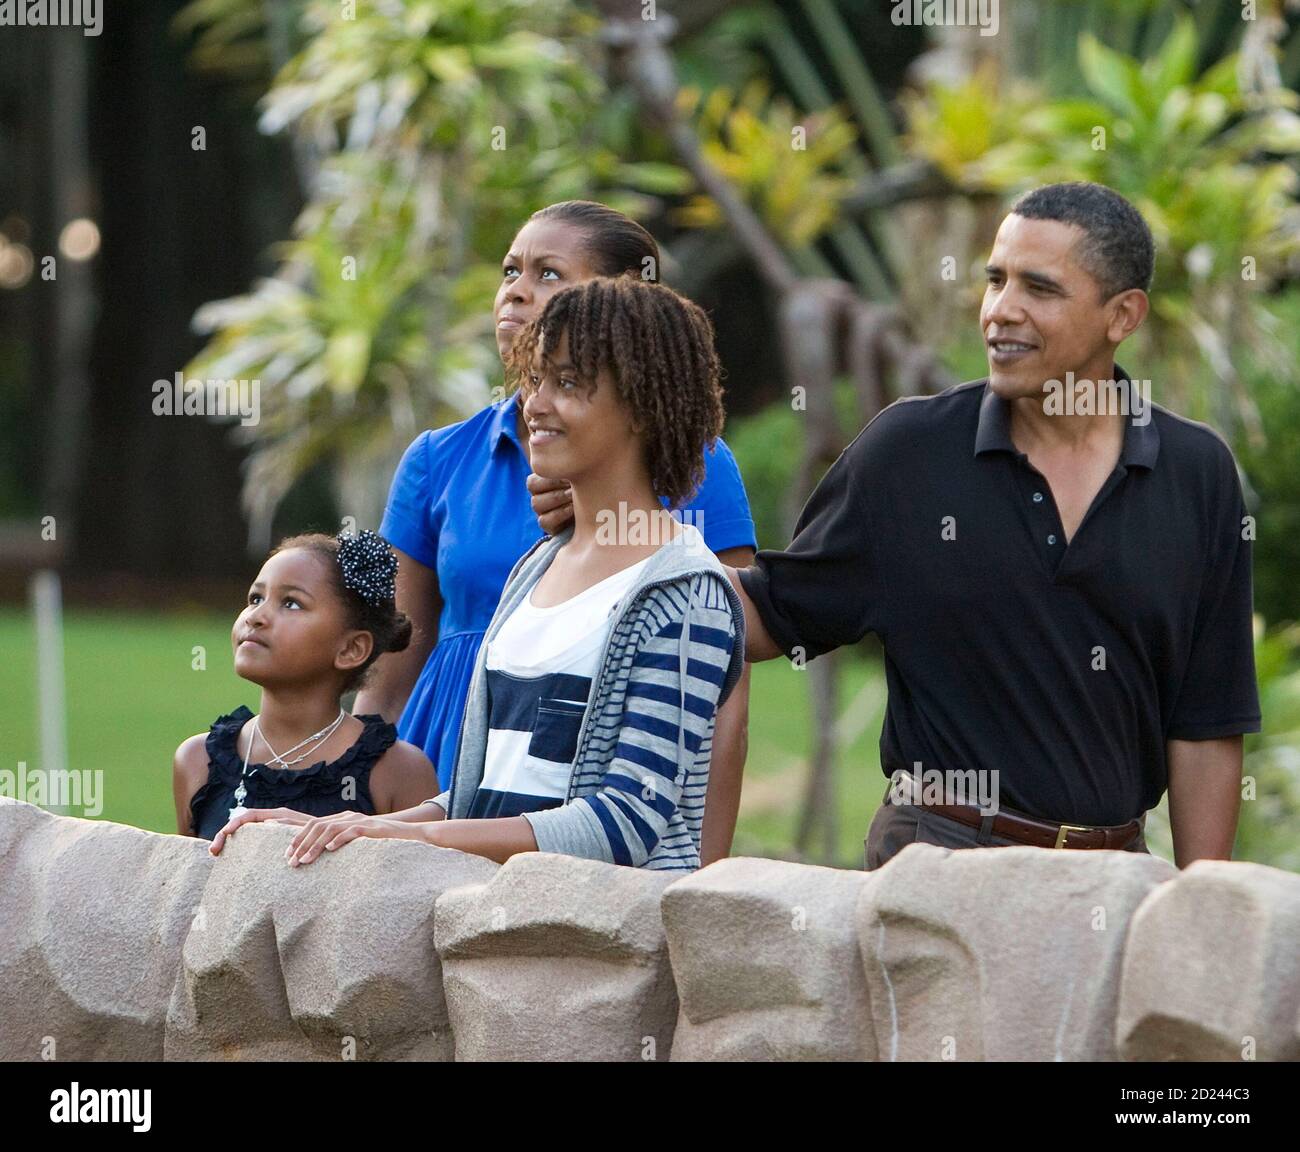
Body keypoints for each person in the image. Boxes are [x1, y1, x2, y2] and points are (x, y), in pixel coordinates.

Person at [725, 181, 1260, 869]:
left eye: (1039, 288)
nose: (1001, 312)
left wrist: (1198, 910)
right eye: (995, 280)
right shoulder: (909, 452)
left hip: (1117, 875)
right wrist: (613, 546)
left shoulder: (1197, 473)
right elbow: (772, 612)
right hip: (939, 864)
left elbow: (1207, 720)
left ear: (1122, 316)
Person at [212, 277, 744, 871]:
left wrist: (402, 840)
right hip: (495, 932)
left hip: (602, 948)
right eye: (534, 381)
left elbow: (625, 821)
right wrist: (351, 825)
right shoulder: (536, 570)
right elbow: (480, 796)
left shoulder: (684, 593)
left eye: (566, 384)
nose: (534, 405)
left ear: (644, 405)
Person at [353, 200, 756, 865]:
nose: (517, 290)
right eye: (510, 270)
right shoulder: (518, 551)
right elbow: (397, 675)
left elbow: (709, 714)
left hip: (574, 882)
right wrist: (358, 815)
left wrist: (698, 883)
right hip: (467, 808)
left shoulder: (684, 576)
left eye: (547, 273)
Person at [173, 530, 437, 840]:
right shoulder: (197, 761)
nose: (256, 616)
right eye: (255, 598)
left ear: (351, 649)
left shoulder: (396, 771)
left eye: (292, 603)